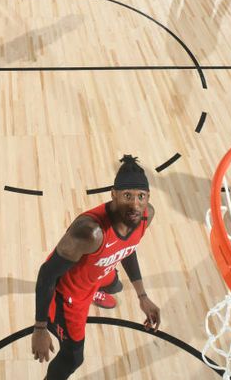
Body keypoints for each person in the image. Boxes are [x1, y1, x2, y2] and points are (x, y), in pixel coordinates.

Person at [31, 156, 161, 380]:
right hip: (70, 293)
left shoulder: (145, 215)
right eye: (127, 196)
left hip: (99, 272)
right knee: (73, 357)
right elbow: (47, 274)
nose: (135, 204)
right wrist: (40, 328)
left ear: (148, 196)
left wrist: (142, 296)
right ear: (113, 194)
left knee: (116, 286)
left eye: (141, 196)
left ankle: (98, 290)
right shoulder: (90, 232)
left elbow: (128, 247)